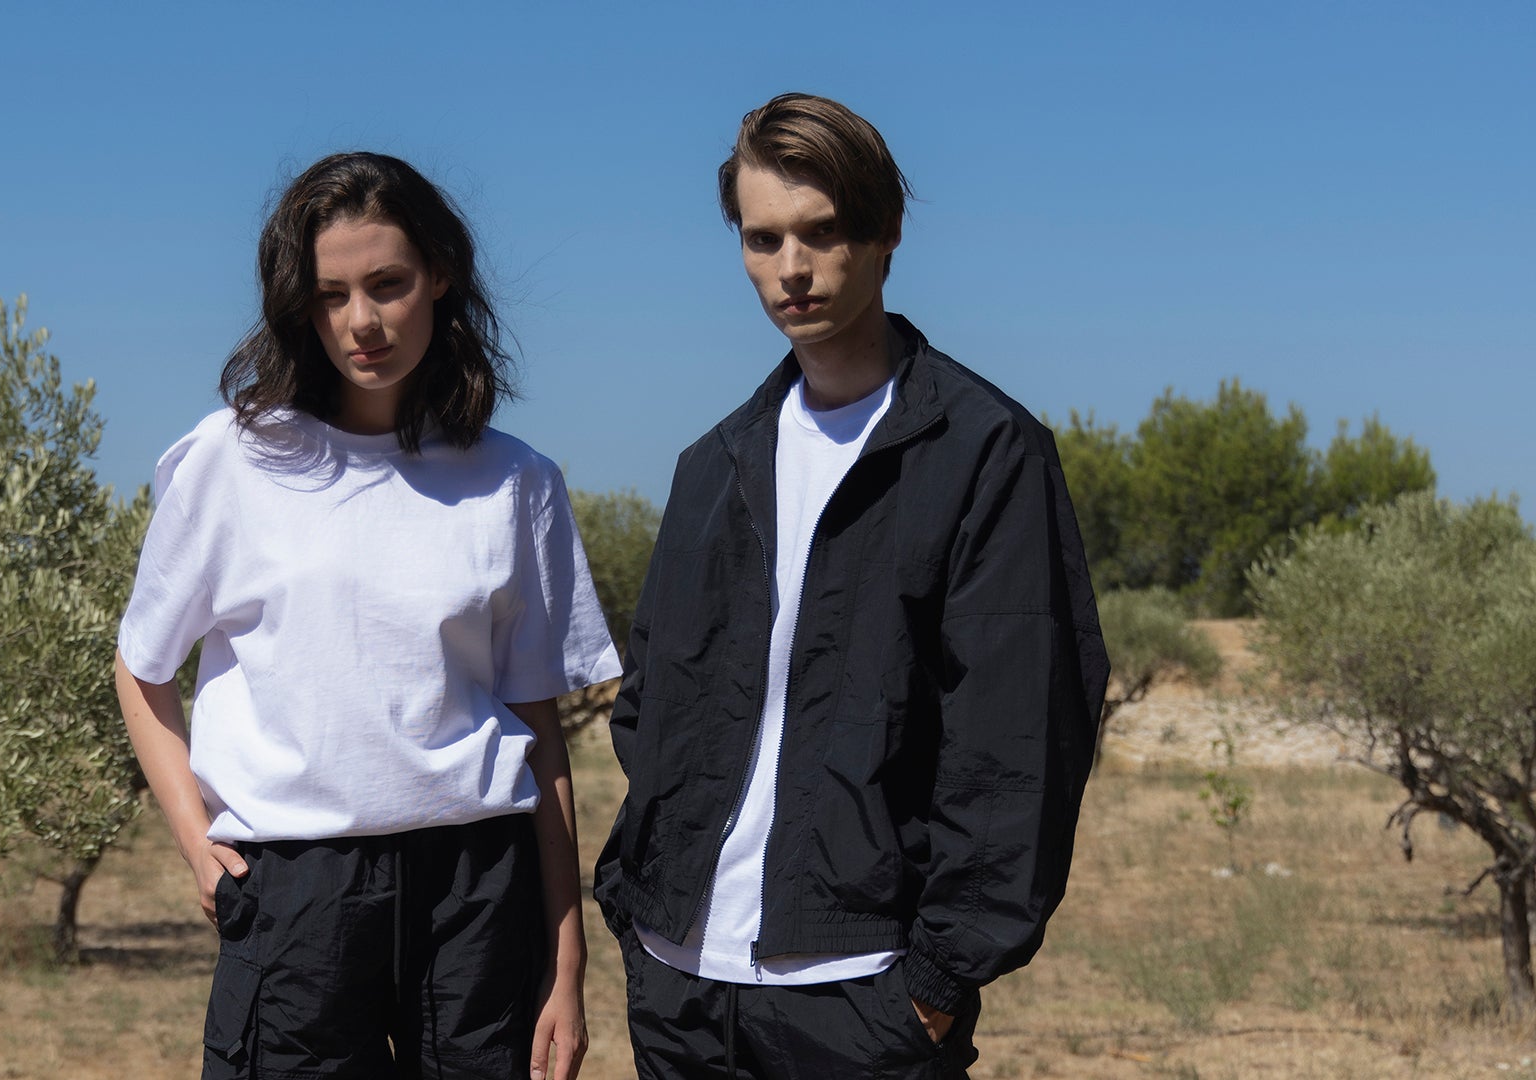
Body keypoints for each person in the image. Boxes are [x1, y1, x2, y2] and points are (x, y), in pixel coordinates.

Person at [593, 93, 1109, 1079]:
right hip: (679, 985)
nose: (791, 267)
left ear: (886, 233)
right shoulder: (713, 466)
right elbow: (652, 705)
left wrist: (939, 979)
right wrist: (637, 902)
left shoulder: (985, 451)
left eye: (822, 232)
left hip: (862, 996)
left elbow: (1022, 740)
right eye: (763, 239)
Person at [115, 151, 619, 1080]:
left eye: (388, 284)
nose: (362, 321)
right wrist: (195, 841)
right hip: (295, 896)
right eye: (330, 294)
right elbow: (141, 666)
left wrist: (567, 961)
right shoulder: (229, 461)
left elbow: (539, 730)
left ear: (441, 274)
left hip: (478, 893)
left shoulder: (517, 482)